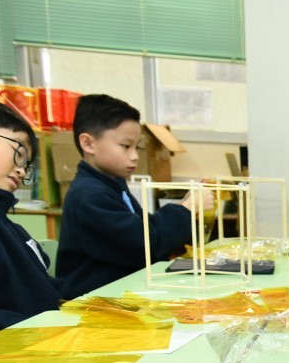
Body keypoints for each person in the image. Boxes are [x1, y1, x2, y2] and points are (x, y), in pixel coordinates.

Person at [56, 94, 208, 298]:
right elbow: (145, 245)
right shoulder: (90, 196)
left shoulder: (112, 184)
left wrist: (184, 205)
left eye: (137, 147)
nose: (135, 156)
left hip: (121, 292)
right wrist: (187, 208)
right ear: (88, 144)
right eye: (126, 146)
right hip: (97, 301)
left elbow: (142, 227)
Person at [0, 103, 64, 329]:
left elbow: (46, 289)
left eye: (26, 164)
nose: (22, 171)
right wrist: (44, 328)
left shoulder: (14, 231)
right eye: (19, 154)